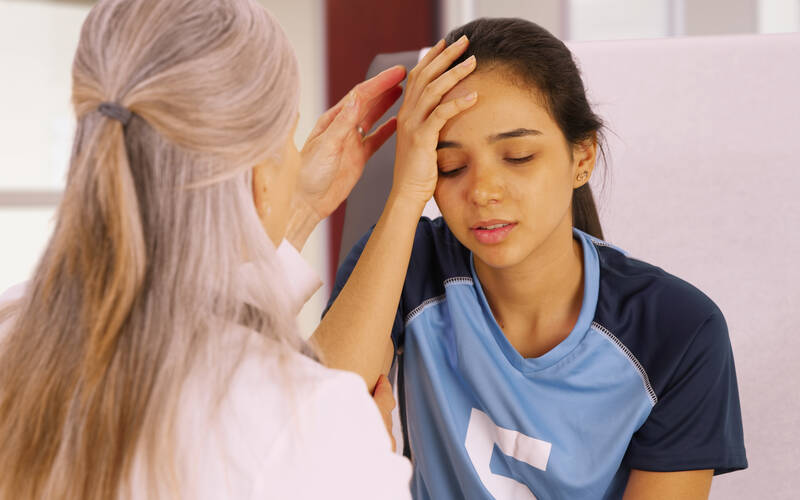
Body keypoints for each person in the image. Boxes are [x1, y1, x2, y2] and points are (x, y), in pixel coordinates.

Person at [316, 18, 748, 499]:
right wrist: (406, 194)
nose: (482, 191)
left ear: (581, 157)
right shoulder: (407, 264)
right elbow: (313, 424)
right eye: (450, 166)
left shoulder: (678, 328)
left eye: (518, 156)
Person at [0, 0, 412, 498]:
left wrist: (297, 208)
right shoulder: (311, 423)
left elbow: (184, 320)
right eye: (287, 141)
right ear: (261, 178)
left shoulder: (14, 327)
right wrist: (369, 457)